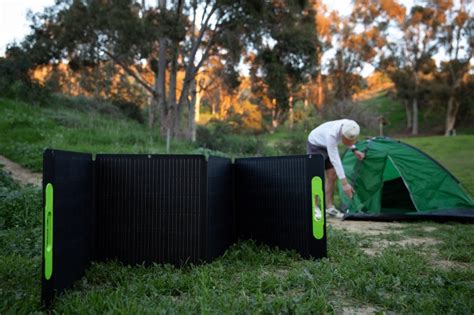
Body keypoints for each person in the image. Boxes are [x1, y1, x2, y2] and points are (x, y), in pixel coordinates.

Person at [307, 119, 365, 218]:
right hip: (315, 144)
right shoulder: (332, 135)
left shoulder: (351, 125)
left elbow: (349, 140)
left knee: (332, 174)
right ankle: (314, 207)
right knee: (316, 176)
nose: (349, 142)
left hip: (328, 144)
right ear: (342, 135)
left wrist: (355, 150)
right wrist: (345, 183)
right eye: (347, 140)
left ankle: (329, 208)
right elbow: (335, 160)